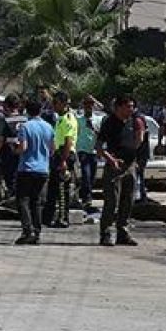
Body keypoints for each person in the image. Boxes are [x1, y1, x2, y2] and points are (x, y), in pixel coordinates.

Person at [96, 94, 143, 247]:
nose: (131, 109)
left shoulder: (133, 121)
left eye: (132, 106)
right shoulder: (109, 122)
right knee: (111, 201)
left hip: (130, 166)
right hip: (114, 167)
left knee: (128, 201)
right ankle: (106, 233)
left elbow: (137, 141)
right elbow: (99, 146)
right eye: (128, 106)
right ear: (119, 107)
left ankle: (123, 232)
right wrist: (111, 159)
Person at [14, 99, 55, 245]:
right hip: (43, 169)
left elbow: (23, 147)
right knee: (37, 201)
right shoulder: (48, 127)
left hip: (27, 168)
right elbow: (52, 149)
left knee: (22, 200)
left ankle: (27, 230)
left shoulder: (25, 127)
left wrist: (15, 150)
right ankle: (37, 232)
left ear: (27, 111)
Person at [43, 91, 77, 228]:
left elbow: (68, 141)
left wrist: (63, 160)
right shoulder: (60, 118)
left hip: (65, 154)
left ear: (63, 104)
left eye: (56, 103)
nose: (53, 106)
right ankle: (47, 217)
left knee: (62, 189)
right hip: (58, 154)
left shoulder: (68, 119)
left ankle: (63, 218)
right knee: (53, 187)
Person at [76, 96, 103, 213]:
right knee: (86, 174)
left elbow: (101, 134)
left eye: (91, 105)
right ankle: (87, 199)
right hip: (82, 150)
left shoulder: (98, 119)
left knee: (92, 176)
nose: (89, 107)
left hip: (93, 151)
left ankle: (87, 195)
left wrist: (93, 128)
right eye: (86, 105)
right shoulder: (79, 120)